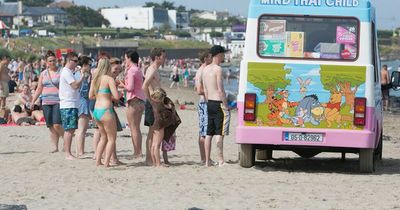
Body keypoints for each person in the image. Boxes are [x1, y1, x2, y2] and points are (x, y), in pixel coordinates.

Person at [202, 45, 231, 167]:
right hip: (218, 103)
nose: (224, 56)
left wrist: (209, 101)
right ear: (218, 55)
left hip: (209, 103)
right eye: (223, 54)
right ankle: (220, 160)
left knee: (209, 133)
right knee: (219, 132)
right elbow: (220, 90)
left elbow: (205, 89)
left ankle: (207, 161)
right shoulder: (218, 69)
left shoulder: (205, 69)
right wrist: (226, 105)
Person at [89, 58, 120, 167]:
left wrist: (101, 95)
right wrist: (113, 94)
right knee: (111, 138)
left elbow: (90, 96)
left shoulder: (95, 79)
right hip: (106, 110)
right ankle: (106, 162)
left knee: (103, 137)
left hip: (97, 110)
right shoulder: (109, 79)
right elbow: (116, 97)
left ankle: (98, 161)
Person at [31, 50, 64, 153]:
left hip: (58, 101)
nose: (52, 63)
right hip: (45, 102)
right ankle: (55, 147)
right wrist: (33, 101)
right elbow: (39, 88)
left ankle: (67, 138)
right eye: (50, 61)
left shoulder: (61, 71)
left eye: (54, 61)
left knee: (57, 124)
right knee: (50, 126)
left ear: (57, 61)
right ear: (46, 62)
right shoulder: (43, 73)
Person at [59, 52, 88, 160]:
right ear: (69, 60)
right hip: (68, 103)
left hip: (71, 103)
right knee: (69, 129)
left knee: (71, 129)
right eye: (75, 61)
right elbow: (75, 85)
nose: (77, 63)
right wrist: (82, 76)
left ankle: (68, 152)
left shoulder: (69, 72)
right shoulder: (66, 72)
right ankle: (68, 153)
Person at [142, 48, 166, 167]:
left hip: (155, 102)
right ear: (157, 57)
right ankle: (152, 160)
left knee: (152, 132)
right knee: (155, 132)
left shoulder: (153, 69)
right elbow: (144, 86)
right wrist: (150, 100)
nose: (164, 58)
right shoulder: (152, 70)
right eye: (163, 56)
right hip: (154, 103)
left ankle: (150, 159)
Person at [149, 88, 181, 165]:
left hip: (154, 125)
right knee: (157, 145)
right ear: (162, 97)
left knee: (153, 145)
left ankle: (154, 163)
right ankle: (158, 164)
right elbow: (170, 108)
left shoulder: (153, 102)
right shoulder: (161, 105)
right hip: (160, 125)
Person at [124, 50, 146, 158]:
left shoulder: (131, 71)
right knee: (137, 127)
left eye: (125, 58)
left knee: (133, 127)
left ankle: (137, 152)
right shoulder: (138, 70)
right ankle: (139, 151)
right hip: (141, 100)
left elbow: (130, 87)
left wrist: (122, 84)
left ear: (129, 58)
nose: (125, 60)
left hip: (133, 100)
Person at [194, 49, 212, 163]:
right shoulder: (201, 71)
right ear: (205, 58)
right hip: (204, 103)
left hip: (206, 103)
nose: (212, 59)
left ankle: (205, 158)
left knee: (205, 131)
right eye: (210, 57)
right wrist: (211, 93)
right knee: (204, 132)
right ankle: (204, 158)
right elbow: (199, 90)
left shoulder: (205, 70)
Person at [74, 55, 92, 158]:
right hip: (83, 102)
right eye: (89, 65)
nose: (90, 67)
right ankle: (80, 151)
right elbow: (83, 91)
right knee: (82, 129)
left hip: (78, 101)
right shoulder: (82, 75)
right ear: (84, 65)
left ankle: (79, 150)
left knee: (80, 129)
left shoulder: (76, 74)